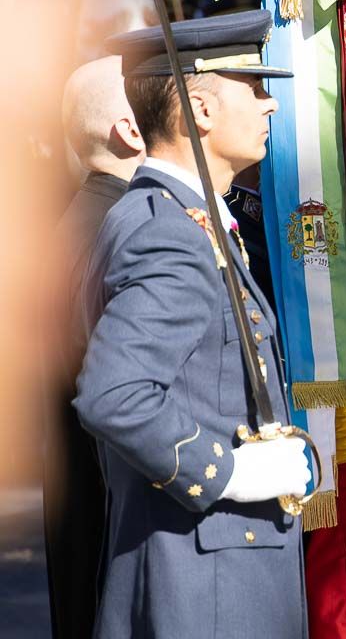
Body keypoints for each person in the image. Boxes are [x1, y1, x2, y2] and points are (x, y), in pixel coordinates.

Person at [75, 10, 311, 638]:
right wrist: (230, 471)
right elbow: (115, 394)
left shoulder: (174, 216)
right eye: (254, 89)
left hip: (212, 571)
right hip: (207, 587)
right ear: (199, 111)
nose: (270, 106)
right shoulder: (169, 233)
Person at [44, 56, 145, 639]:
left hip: (88, 520)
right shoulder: (117, 231)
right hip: (113, 528)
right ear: (128, 128)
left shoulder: (92, 217)